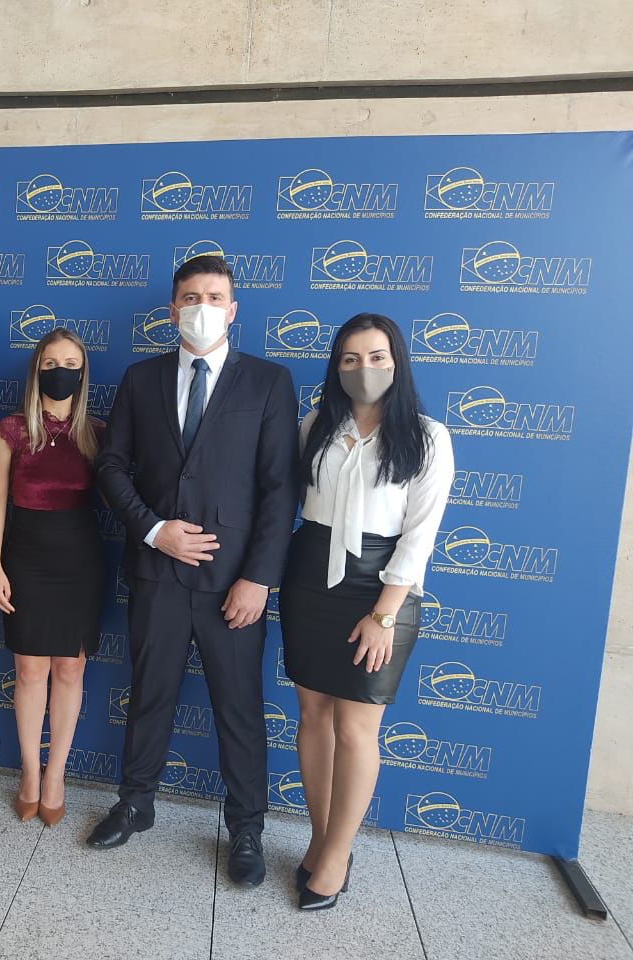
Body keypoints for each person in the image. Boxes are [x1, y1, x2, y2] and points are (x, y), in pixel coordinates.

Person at [88, 254, 299, 887]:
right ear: (172, 309)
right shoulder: (140, 378)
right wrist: (155, 530)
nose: (200, 307)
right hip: (156, 573)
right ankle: (136, 803)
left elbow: (280, 489)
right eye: (189, 297)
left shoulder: (269, 382)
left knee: (239, 708)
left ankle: (247, 827)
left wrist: (258, 578)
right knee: (149, 694)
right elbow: (111, 467)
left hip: (234, 585)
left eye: (213, 297)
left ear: (232, 311)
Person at [279, 313, 454, 909]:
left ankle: (336, 855)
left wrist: (383, 615)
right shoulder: (315, 426)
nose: (364, 368)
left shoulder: (428, 437)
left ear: (397, 361)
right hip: (310, 579)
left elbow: (420, 536)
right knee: (312, 717)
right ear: (336, 367)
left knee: (355, 729)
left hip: (381, 588)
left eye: (377, 357)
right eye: (350, 359)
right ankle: (321, 838)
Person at [0, 328, 105, 827]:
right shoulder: (10, 431)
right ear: (37, 369)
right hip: (25, 559)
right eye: (51, 362)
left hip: (80, 562)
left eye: (71, 363)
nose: (61, 371)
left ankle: (57, 776)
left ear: (83, 371)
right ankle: (30, 774)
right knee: (30, 671)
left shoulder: (97, 433)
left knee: (71, 670)